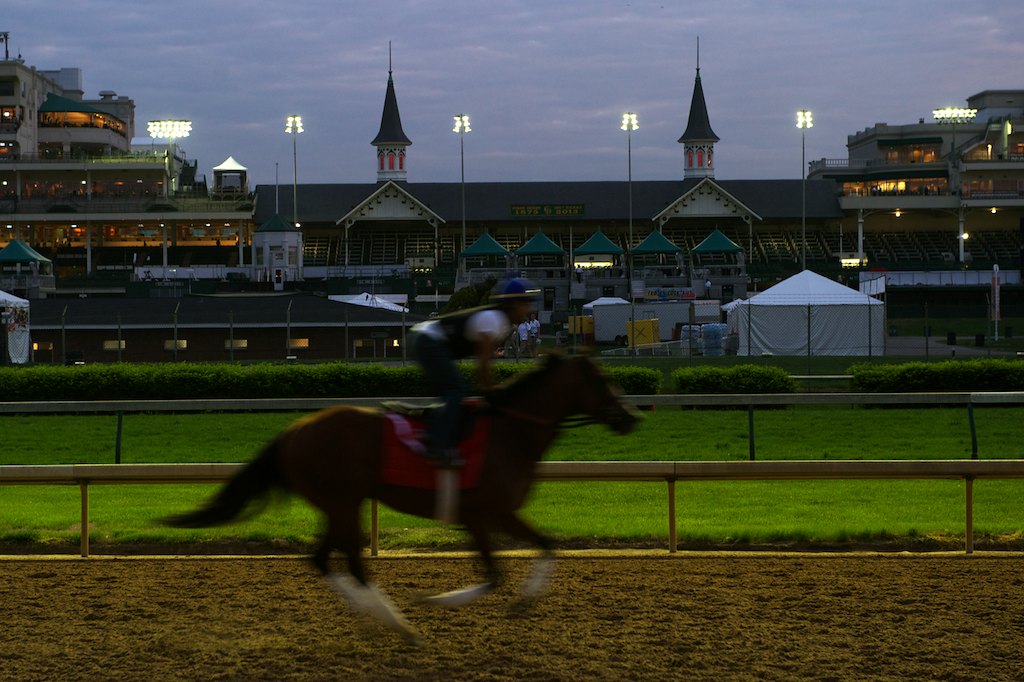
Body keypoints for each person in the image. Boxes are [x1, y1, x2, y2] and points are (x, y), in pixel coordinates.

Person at [408, 278, 538, 521]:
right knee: (457, 390)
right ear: (512, 305)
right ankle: (438, 446)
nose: (529, 309)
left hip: (431, 340)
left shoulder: (502, 323)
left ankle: (436, 431)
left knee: (457, 392)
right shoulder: (494, 320)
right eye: (525, 303)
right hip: (427, 340)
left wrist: (489, 391)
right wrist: (492, 392)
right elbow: (484, 364)